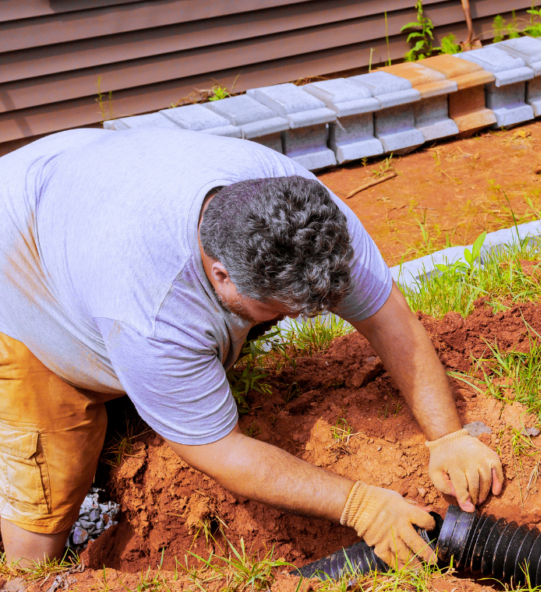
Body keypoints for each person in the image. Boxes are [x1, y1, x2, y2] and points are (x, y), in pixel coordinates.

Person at [0, 127, 504, 568]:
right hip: (17, 267)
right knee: (45, 491)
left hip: (78, 174)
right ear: (221, 274)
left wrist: (447, 436)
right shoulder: (150, 312)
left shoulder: (302, 212)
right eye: (278, 308)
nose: (296, 319)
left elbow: (386, 315)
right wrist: (361, 506)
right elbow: (219, 451)